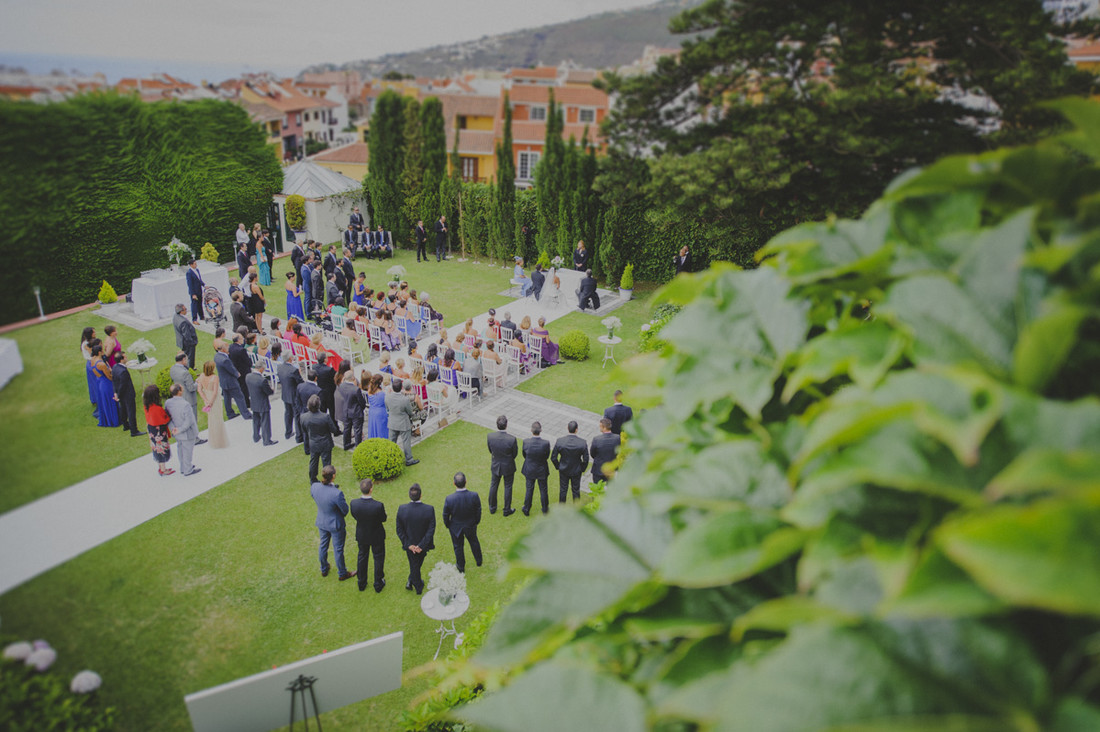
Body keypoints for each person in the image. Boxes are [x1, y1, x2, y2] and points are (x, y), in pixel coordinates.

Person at [311, 465, 355, 581]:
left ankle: (324, 568)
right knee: (338, 549)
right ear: (333, 476)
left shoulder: (314, 487)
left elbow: (314, 497)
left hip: (322, 521)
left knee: (323, 545)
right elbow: (345, 510)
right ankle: (342, 573)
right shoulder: (336, 493)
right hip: (335, 524)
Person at [395, 483, 435, 594]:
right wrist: (420, 546)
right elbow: (431, 530)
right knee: (415, 565)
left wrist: (409, 545)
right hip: (420, 545)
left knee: (414, 563)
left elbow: (399, 530)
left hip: (412, 545)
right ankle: (418, 587)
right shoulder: (429, 509)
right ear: (421, 495)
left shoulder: (402, 509)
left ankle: (410, 579)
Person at [348, 478, 387, 593]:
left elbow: (354, 516)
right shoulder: (378, 506)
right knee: (378, 558)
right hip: (376, 535)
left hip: (362, 535)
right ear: (371, 489)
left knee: (362, 557)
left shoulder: (354, 503)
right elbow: (383, 519)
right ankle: (378, 583)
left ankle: (361, 583)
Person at [443, 472, 482, 573]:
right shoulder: (474, 495)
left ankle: (461, 567)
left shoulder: (449, 499)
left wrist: (448, 525)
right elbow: (478, 510)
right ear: (466, 482)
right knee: (474, 542)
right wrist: (476, 522)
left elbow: (445, 515)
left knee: (458, 547)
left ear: (454, 483)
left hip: (455, 527)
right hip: (470, 525)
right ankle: (479, 561)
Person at [302, 394, 341, 484]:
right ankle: (328, 481)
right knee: (326, 463)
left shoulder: (303, 417)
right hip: (325, 443)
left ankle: (313, 480)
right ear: (319, 405)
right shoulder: (325, 417)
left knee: (313, 462)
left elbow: (304, 430)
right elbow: (334, 430)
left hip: (313, 443)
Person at [166, 383, 201, 477]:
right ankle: (188, 469)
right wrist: (180, 429)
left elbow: (168, 418)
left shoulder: (168, 403)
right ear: (180, 392)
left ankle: (183, 467)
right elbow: (188, 421)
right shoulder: (185, 404)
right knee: (187, 451)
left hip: (176, 432)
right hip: (186, 432)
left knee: (181, 449)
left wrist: (173, 429)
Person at [551, 420, 589, 503]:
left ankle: (562, 510)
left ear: (567, 428)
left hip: (564, 469)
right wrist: (582, 468)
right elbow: (586, 459)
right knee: (576, 491)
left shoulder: (560, 441)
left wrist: (559, 466)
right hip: (576, 470)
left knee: (563, 490)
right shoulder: (582, 443)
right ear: (576, 429)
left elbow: (553, 457)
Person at [487, 415, 518, 516]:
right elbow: (515, 454)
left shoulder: (491, 436)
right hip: (508, 465)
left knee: (494, 485)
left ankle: (492, 507)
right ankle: (506, 510)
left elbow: (491, 450)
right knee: (507, 487)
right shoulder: (511, 439)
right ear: (506, 425)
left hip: (496, 464)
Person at [386, 378, 420, 466]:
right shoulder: (404, 399)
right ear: (401, 388)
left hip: (392, 422)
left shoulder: (387, 396)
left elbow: (387, 408)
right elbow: (409, 411)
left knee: (391, 442)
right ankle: (409, 460)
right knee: (406, 442)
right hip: (403, 423)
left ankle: (390, 459)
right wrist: (414, 416)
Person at [214, 341, 251, 420]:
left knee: (227, 398)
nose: (228, 349)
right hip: (231, 382)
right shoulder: (225, 360)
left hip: (223, 381)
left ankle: (230, 414)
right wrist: (237, 374)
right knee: (239, 397)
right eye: (227, 348)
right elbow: (231, 369)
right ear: (223, 350)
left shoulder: (217, 356)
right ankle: (246, 414)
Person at [196, 360, 229, 450]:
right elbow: (215, 392)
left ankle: (214, 440)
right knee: (218, 418)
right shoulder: (215, 377)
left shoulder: (201, 376)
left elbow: (199, 390)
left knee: (211, 419)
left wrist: (206, 400)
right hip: (214, 400)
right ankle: (219, 441)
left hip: (207, 397)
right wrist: (210, 402)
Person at [521, 421, 552, 516]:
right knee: (543, 490)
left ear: (531, 430)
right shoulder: (545, 443)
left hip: (530, 468)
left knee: (529, 489)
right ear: (541, 430)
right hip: (541, 469)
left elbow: (524, 455)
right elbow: (546, 456)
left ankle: (526, 509)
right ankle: (545, 509)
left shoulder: (526, 442)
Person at [245, 360, 278, 446]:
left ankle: (256, 436)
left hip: (254, 402)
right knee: (265, 422)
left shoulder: (248, 376)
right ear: (261, 369)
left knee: (256, 420)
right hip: (262, 403)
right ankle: (267, 440)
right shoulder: (262, 380)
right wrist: (272, 390)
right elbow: (268, 392)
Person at [143, 384, 174, 476]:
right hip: (159, 432)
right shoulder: (157, 409)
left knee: (156, 449)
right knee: (162, 449)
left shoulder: (146, 405)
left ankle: (161, 467)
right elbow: (165, 420)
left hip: (152, 430)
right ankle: (163, 470)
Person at [112, 351, 142, 437]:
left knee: (123, 410)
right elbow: (123, 385)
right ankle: (134, 430)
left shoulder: (114, 367)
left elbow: (114, 381)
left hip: (120, 394)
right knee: (131, 411)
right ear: (121, 359)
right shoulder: (123, 371)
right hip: (127, 394)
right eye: (125, 357)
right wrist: (118, 395)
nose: (127, 358)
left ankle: (125, 425)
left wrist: (116, 393)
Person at [90, 343, 119, 428]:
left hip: (99, 382)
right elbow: (109, 377)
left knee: (105, 401)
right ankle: (113, 420)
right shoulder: (101, 364)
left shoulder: (93, 359)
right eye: (102, 350)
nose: (103, 351)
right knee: (111, 400)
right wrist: (112, 372)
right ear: (99, 352)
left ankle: (108, 418)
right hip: (106, 383)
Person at [170, 351, 201, 425]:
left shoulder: (173, 369)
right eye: (186, 360)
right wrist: (198, 383)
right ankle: (195, 436)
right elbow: (191, 388)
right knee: (193, 421)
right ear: (183, 359)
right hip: (189, 399)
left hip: (180, 397)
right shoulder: (185, 373)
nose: (187, 361)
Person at [339, 367, 366, 451]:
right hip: (355, 412)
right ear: (352, 378)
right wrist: (361, 408)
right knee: (357, 430)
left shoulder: (341, 386)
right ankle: (358, 446)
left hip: (346, 410)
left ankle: (346, 444)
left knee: (347, 428)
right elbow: (361, 402)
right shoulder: (356, 389)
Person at [296, 369, 322, 453]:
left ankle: (307, 449)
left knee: (306, 432)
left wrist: (301, 411)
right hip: (313, 413)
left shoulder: (300, 386)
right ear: (315, 378)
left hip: (303, 412)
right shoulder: (317, 390)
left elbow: (297, 401)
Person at [590, 417, 621, 484]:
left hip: (598, 470)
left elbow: (592, 453)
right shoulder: (617, 438)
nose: (599, 427)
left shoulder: (596, 439)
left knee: (597, 491)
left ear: (604, 427)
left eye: (600, 426)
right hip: (611, 470)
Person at [229, 332, 253, 408]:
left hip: (236, 369)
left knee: (241, 387)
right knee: (244, 388)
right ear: (238, 340)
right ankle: (247, 403)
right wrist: (250, 363)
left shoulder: (231, 347)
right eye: (242, 338)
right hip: (243, 371)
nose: (243, 340)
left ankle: (244, 402)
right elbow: (247, 361)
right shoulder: (241, 350)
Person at [314, 350, 338, 422]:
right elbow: (335, 379)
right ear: (325, 359)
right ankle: (334, 427)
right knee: (332, 410)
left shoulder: (314, 367)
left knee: (323, 410)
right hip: (330, 392)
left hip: (320, 391)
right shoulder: (329, 369)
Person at [186, 259, 205, 323]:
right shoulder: (189, 273)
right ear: (191, 265)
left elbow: (199, 279)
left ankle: (201, 316)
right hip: (194, 291)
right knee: (194, 305)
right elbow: (190, 284)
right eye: (194, 264)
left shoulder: (197, 270)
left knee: (200, 304)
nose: (196, 265)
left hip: (199, 290)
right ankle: (194, 319)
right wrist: (193, 294)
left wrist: (204, 285)